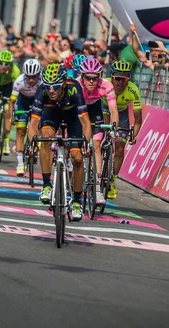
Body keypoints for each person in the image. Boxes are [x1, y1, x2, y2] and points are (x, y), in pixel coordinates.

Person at [27, 64, 92, 221]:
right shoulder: (42, 91)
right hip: (52, 113)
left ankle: (76, 202)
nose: (51, 90)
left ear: (63, 83)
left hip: (72, 116)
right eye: (48, 86)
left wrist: (86, 144)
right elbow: (34, 123)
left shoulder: (74, 89)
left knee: (77, 157)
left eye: (55, 86)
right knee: (45, 137)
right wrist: (32, 144)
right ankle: (47, 185)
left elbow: (85, 122)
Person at [76, 57, 119, 205]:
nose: (92, 81)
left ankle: (98, 189)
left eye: (95, 78)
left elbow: (113, 110)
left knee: (96, 145)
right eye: (88, 78)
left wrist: (114, 127)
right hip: (79, 112)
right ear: (82, 76)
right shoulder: (76, 85)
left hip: (95, 112)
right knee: (76, 145)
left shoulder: (106, 85)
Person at [104, 61, 143, 199]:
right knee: (104, 123)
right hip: (105, 109)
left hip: (122, 114)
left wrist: (133, 135)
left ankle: (112, 180)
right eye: (118, 78)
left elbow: (138, 120)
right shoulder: (104, 84)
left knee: (120, 148)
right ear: (112, 76)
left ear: (129, 79)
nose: (121, 82)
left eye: (124, 79)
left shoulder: (133, 90)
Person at [10, 58, 41, 176]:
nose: (32, 80)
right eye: (29, 77)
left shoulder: (42, 81)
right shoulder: (19, 81)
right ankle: (20, 164)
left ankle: (36, 142)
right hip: (22, 101)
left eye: (34, 77)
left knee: (38, 123)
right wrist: (12, 116)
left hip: (36, 101)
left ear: (39, 74)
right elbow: (12, 102)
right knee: (20, 131)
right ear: (25, 75)